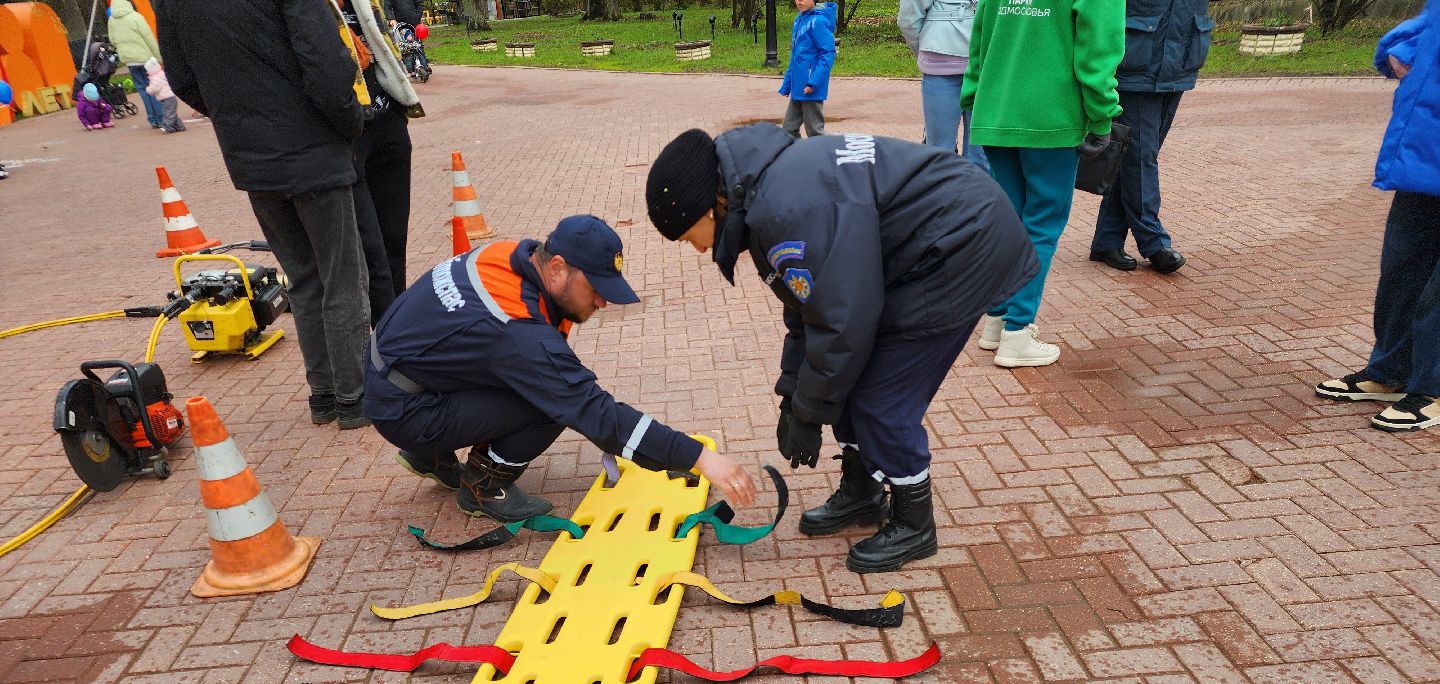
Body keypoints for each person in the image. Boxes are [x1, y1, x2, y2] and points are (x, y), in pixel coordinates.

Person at [645, 126, 1038, 573]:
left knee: (880, 399)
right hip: (934, 241)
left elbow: (843, 324)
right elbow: (810, 306)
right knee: (849, 379)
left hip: (963, 246)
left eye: (686, 237)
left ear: (707, 207)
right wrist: (793, 398)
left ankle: (915, 523)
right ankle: (862, 491)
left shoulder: (786, 206)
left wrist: (810, 413)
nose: (697, 249)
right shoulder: (764, 194)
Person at [364, 215, 758, 520]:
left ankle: (431, 453)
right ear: (556, 268)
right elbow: (592, 410)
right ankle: (483, 487)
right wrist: (698, 458)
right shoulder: (516, 330)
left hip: (398, 373)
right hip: (405, 409)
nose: (603, 303)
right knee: (550, 404)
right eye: (596, 289)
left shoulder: (509, 255)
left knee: (544, 383)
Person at [158, 0, 374, 430]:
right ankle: (355, 398)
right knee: (343, 277)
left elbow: (182, 78)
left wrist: (237, 117)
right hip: (313, 147)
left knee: (304, 278)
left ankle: (325, 395)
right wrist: (350, 122)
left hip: (253, 159)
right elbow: (327, 61)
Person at [961, 0, 1123, 367]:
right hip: (1052, 114)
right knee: (1042, 223)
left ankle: (998, 320)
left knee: (1012, 220)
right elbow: (1098, 48)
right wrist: (1102, 116)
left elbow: (980, 35)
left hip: (996, 106)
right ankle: (1017, 333)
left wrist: (975, 95)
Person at [1315, 0, 1440, 432]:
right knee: (1401, 270)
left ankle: (1431, 387)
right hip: (1424, 152)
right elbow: (1425, 25)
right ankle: (1390, 373)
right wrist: (1402, 48)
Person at [1087, 0, 1211, 274]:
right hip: (1137, 65)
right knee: (1140, 159)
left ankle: (1107, 239)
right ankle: (1154, 242)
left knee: (1135, 158)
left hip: (1180, 64)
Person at [341, 0, 424, 326]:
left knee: (393, 236)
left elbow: (399, 24)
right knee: (367, 244)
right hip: (348, 130)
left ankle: (395, 321)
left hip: (388, 120)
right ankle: (385, 329)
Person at [897, 0, 987, 168]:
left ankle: (949, 191)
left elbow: (908, 19)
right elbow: (908, 19)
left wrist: (928, 48)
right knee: (980, 155)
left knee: (941, 153)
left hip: (951, 58)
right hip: (980, 60)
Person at [779, 0, 835, 138]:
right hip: (797, 88)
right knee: (788, 130)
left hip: (810, 88)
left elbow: (828, 54)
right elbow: (795, 57)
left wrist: (813, 82)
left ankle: (823, 157)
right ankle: (798, 156)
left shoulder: (818, 22)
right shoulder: (799, 20)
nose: (800, 1)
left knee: (815, 132)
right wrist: (787, 85)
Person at [106, 0, 163, 130]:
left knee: (143, 89)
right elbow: (148, 37)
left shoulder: (112, 21)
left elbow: (113, 40)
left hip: (129, 60)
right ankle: (160, 117)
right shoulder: (136, 17)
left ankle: (152, 119)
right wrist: (159, 57)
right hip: (145, 58)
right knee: (154, 87)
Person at [143, 58, 185, 133]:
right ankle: (179, 126)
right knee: (172, 113)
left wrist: (148, 89)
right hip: (170, 97)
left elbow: (155, 87)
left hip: (167, 98)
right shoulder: (161, 74)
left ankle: (168, 127)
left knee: (168, 113)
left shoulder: (155, 78)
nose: (147, 72)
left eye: (148, 70)